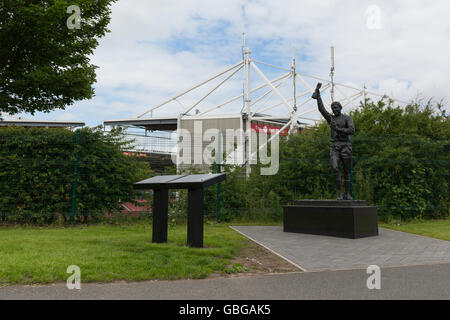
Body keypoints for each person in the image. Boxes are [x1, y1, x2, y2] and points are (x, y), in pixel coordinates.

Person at [312, 83, 355, 200]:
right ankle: (340, 193)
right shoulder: (331, 119)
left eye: (336, 108)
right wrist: (318, 95)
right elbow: (322, 110)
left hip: (346, 146)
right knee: (335, 168)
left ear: (340, 108)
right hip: (335, 147)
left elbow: (352, 130)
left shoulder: (347, 118)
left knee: (347, 171)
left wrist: (338, 129)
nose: (335, 110)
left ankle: (347, 193)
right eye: (333, 108)